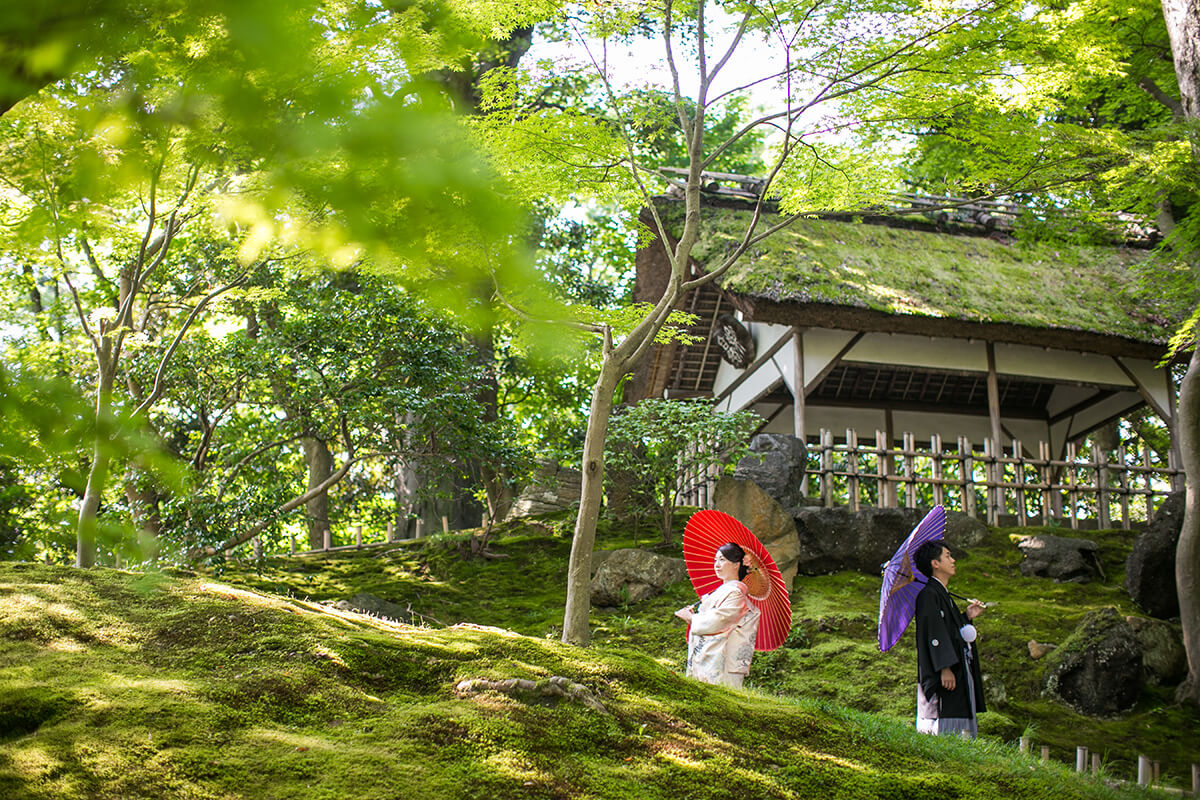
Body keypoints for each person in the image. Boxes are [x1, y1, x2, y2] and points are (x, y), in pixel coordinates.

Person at [912, 540, 986, 738]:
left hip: (958, 668)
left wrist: (966, 616)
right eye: (947, 556)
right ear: (935, 564)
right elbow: (933, 634)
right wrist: (944, 667)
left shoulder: (943, 595)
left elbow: (950, 630)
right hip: (943, 673)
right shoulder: (928, 595)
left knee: (960, 715)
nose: (953, 560)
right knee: (945, 718)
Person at [674, 542, 761, 688]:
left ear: (736, 564)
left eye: (722, 560)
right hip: (709, 655)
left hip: (723, 659)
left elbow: (721, 620)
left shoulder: (736, 593)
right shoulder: (722, 591)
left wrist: (692, 619)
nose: (717, 564)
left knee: (722, 700)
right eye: (715, 560)